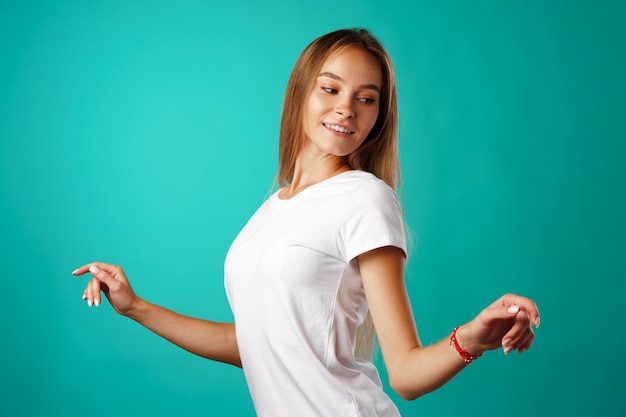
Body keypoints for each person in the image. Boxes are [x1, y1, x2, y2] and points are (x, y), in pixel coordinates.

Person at [73, 28, 540, 417]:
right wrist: (136, 307)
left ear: (379, 116)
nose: (346, 109)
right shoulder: (273, 208)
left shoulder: (365, 198)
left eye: (367, 98)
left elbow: (405, 373)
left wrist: (473, 337)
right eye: (331, 88)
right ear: (301, 91)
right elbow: (260, 343)